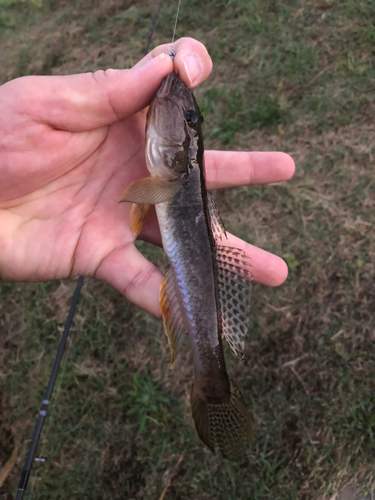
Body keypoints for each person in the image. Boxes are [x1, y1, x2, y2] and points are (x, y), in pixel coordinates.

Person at [0, 38, 295, 317]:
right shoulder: (165, 176)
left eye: (190, 120)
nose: (186, 118)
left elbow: (142, 194)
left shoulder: (166, 179)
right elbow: (142, 194)